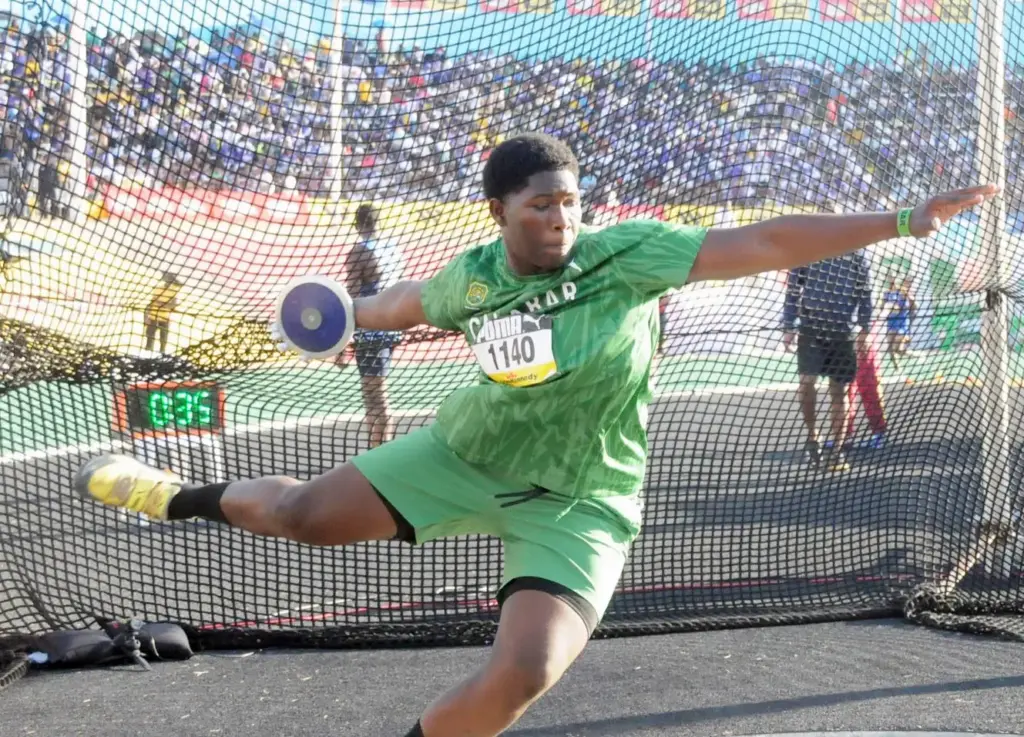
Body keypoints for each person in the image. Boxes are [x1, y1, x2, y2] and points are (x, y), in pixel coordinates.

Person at [75, 133, 997, 737]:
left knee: (524, 671)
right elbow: (403, 303)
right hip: (463, 454)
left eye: (569, 202)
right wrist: (337, 313)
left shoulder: (626, 254)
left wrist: (902, 220)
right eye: (540, 207)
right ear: (499, 215)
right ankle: (171, 493)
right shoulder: (474, 277)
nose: (561, 219)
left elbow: (759, 243)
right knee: (310, 514)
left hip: (583, 496)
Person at [782, 253, 874, 473]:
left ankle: (837, 450)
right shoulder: (808, 248)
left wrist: (865, 329)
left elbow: (866, 294)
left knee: (839, 391)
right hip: (811, 328)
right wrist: (788, 325)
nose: (827, 217)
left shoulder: (856, 254)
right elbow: (793, 291)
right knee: (806, 383)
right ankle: (813, 436)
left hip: (842, 330)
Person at [337, 203, 404, 449]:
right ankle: (381, 447)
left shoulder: (359, 252)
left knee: (374, 395)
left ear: (357, 224)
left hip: (371, 330)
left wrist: (341, 343)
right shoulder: (392, 248)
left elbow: (352, 299)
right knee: (377, 391)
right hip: (393, 326)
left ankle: (380, 451)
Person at [883, 273, 916, 369]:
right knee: (891, 348)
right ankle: (897, 368)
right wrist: (887, 308)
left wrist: (909, 302)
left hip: (902, 323)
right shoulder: (886, 293)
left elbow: (912, 306)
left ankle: (917, 355)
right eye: (889, 278)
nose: (891, 280)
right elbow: (883, 306)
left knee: (899, 349)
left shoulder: (903, 292)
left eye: (893, 278)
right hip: (891, 323)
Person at [143, 271, 181, 354]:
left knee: (163, 340)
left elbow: (173, 305)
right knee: (149, 338)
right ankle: (147, 354)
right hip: (153, 317)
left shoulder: (173, 291)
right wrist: (146, 317)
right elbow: (151, 303)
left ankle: (162, 354)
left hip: (165, 318)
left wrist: (163, 304)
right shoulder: (158, 289)